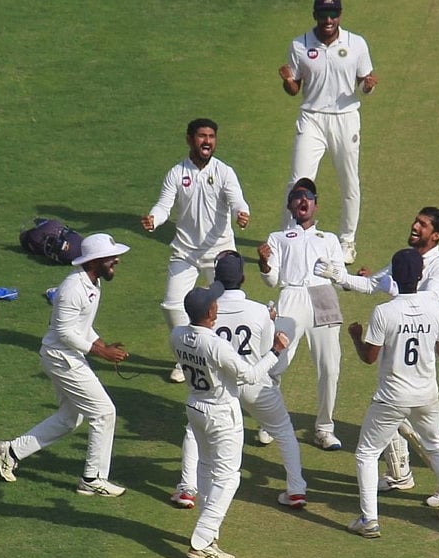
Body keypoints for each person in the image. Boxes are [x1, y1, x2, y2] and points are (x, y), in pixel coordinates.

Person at [317, 206, 439, 507]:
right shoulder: (404, 259)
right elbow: (373, 284)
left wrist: (393, 289)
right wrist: (339, 276)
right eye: (416, 220)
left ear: (435, 235)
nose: (415, 226)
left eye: (423, 224)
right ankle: (400, 473)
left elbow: (424, 299)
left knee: (405, 417)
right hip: (399, 342)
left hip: (418, 347)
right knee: (392, 409)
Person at [0, 233, 131, 497]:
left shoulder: (93, 283)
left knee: (69, 418)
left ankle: (11, 451)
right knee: (104, 413)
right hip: (62, 358)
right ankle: (92, 479)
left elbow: (82, 327)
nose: (117, 261)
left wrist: (103, 345)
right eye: (111, 257)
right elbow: (64, 332)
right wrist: (102, 353)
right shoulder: (72, 289)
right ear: (94, 261)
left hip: (66, 356)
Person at [170, 251, 308, 510]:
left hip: (218, 386)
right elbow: (266, 351)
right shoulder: (259, 311)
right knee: (283, 431)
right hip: (254, 383)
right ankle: (296, 490)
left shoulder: (205, 310)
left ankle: (187, 489)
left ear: (216, 278)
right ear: (243, 277)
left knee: (194, 433)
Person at [347, 249, 439, 538]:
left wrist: (355, 337)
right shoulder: (437, 309)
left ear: (393, 276)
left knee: (366, 453)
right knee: (436, 446)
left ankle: (369, 519)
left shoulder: (384, 312)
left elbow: (369, 357)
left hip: (392, 397)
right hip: (426, 394)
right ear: (420, 275)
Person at [173, 282, 291, 558]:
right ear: (210, 312)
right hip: (221, 413)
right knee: (228, 478)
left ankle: (209, 535)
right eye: (214, 304)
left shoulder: (177, 335)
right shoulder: (216, 345)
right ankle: (202, 540)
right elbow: (250, 376)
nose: (217, 306)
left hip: (195, 406)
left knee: (205, 468)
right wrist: (275, 351)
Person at [141, 118, 251, 384]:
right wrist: (154, 219)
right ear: (189, 139)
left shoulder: (224, 171)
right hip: (185, 252)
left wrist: (241, 212)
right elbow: (164, 205)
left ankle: (224, 358)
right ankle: (187, 358)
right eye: (202, 136)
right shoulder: (176, 173)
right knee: (172, 306)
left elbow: (237, 200)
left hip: (220, 253)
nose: (207, 141)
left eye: (211, 137)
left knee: (225, 307)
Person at [278, 0, 378, 265]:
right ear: (315, 15)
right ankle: (288, 237)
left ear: (340, 15)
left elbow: (364, 82)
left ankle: (347, 241)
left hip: (345, 119)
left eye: (333, 14)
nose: (329, 19)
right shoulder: (299, 44)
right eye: (324, 14)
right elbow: (294, 89)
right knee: (298, 181)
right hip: (311, 118)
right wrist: (287, 81)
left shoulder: (356, 43)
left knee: (349, 181)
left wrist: (368, 87)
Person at [258, 177, 345, 450]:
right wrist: (264, 263)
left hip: (323, 296)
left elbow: (341, 277)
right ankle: (269, 422)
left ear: (316, 204)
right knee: (275, 361)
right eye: (297, 196)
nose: (303, 200)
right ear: (290, 206)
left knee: (330, 367)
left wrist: (346, 276)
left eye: (308, 196)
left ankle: (324, 429)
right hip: (291, 295)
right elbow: (271, 280)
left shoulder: (329, 239)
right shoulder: (278, 238)